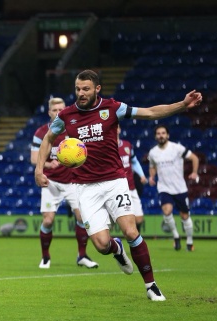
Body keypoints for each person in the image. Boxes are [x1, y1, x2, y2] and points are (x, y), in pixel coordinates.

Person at [34, 69, 202, 301]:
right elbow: (48, 140)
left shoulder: (112, 108)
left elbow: (151, 112)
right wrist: (38, 168)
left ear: (97, 89)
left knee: (131, 230)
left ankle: (151, 285)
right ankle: (117, 249)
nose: (80, 93)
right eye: (77, 89)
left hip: (114, 181)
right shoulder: (66, 115)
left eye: (86, 89)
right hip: (85, 188)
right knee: (102, 245)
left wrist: (182, 105)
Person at [30, 97, 98, 269]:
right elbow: (33, 159)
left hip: (73, 181)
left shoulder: (72, 129)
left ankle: (82, 256)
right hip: (51, 181)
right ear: (49, 112)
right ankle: (45, 257)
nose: (58, 112)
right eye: (54, 110)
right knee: (48, 221)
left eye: (61, 109)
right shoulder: (40, 133)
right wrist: (47, 164)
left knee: (82, 217)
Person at [147, 124, 199, 251]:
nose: (161, 135)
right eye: (158, 133)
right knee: (166, 211)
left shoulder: (177, 148)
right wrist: (151, 176)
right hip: (164, 188)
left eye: (163, 133)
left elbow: (194, 158)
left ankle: (189, 241)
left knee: (185, 216)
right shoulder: (153, 152)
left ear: (167, 135)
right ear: (155, 136)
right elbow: (152, 166)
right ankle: (176, 236)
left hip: (180, 188)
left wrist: (194, 172)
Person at [117, 126, 147, 232]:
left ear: (119, 129)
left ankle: (135, 238)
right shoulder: (106, 147)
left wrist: (142, 175)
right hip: (116, 189)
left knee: (139, 219)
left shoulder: (127, 145)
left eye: (116, 127)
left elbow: (134, 161)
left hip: (131, 187)